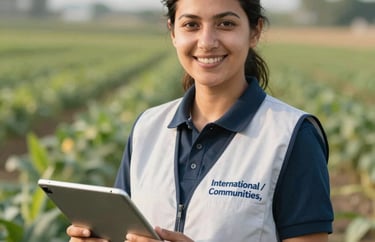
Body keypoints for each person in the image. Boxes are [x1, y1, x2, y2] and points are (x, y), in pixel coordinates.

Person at [67, 0, 334, 241]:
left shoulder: (292, 136)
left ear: (255, 32)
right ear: (173, 32)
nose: (207, 41)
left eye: (226, 24)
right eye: (191, 25)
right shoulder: (147, 127)